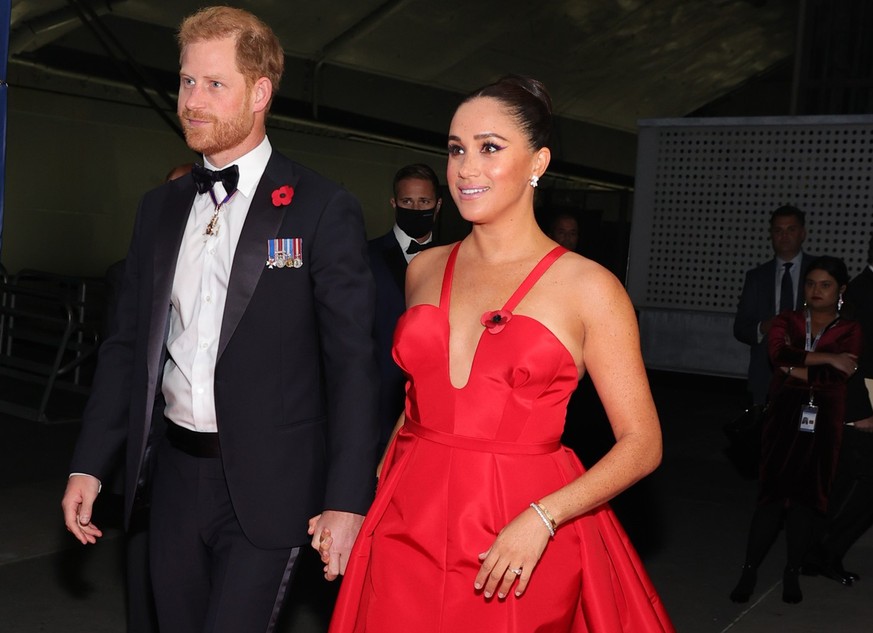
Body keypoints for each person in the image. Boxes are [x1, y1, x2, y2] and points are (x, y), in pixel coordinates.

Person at [313, 75, 673, 632]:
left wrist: (543, 518)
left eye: (490, 148)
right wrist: (365, 499)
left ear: (538, 162)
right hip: (408, 519)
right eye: (457, 149)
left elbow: (643, 443)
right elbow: (414, 404)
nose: (466, 168)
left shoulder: (588, 287)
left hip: (517, 538)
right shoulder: (423, 270)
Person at [60, 7, 379, 633]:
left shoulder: (320, 207)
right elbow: (126, 347)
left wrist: (346, 499)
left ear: (259, 92)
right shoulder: (160, 207)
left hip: (271, 487)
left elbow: (352, 366)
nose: (192, 101)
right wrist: (90, 462)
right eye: (185, 82)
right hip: (172, 478)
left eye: (213, 84)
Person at [730, 256, 862, 604]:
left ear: (841, 290)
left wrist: (796, 369)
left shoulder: (850, 329)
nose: (816, 291)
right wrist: (827, 358)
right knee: (771, 497)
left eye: (825, 285)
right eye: (811, 283)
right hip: (783, 419)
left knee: (806, 501)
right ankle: (749, 570)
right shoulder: (787, 318)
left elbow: (838, 377)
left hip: (824, 423)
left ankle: (792, 571)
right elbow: (777, 354)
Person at [803, 234, 873, 585]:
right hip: (856, 406)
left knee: (846, 482)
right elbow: (852, 361)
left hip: (858, 405)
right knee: (858, 484)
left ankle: (818, 552)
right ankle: (822, 551)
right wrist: (861, 411)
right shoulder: (860, 293)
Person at [368, 164, 442, 449]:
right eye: (407, 202)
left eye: (423, 201)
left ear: (437, 205)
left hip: (434, 405)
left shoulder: (456, 260)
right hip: (378, 400)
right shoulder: (364, 256)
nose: (415, 208)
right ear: (393, 203)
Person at [734, 205, 817, 412]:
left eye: (791, 229)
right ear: (771, 235)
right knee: (764, 437)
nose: (785, 236)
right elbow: (741, 328)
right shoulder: (756, 277)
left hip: (809, 367)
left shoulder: (819, 272)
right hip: (766, 371)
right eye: (778, 230)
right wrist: (764, 326)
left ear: (803, 233)